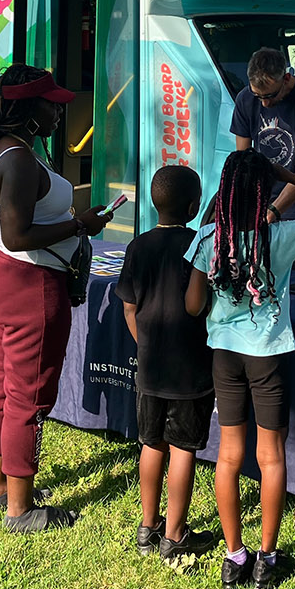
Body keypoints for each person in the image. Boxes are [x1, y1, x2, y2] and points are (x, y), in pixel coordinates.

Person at [185, 151, 295, 589]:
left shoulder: (206, 240)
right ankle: (267, 559)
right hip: (269, 354)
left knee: (229, 455)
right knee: (270, 455)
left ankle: (234, 555)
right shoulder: (285, 235)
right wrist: (292, 178)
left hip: (224, 354)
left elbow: (192, 305)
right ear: (266, 193)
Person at [0, 63, 110, 533]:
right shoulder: (21, 160)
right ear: (31, 109)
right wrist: (80, 224)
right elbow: (19, 232)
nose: (60, 112)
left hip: (1, 275)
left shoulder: (2, 147)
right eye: (53, 105)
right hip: (29, 283)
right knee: (27, 397)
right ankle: (20, 511)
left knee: (2, 384)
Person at [116, 165, 219, 564]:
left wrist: (146, 344)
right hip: (191, 369)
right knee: (183, 448)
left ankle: (148, 526)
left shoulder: (138, 246)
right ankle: (175, 535)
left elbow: (128, 305)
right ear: (195, 206)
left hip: (150, 367)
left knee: (151, 442)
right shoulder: (202, 245)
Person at [230, 47, 295, 268]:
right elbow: (242, 162)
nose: (264, 104)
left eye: (270, 96)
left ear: (286, 78)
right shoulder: (246, 98)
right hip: (260, 202)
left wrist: (273, 211)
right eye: (259, 96)